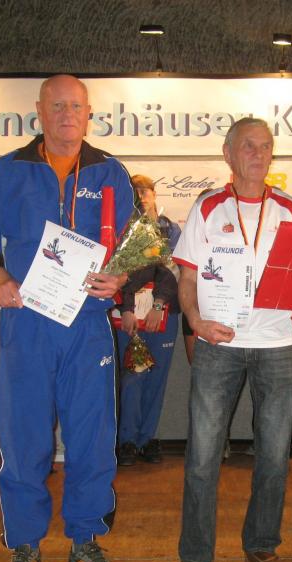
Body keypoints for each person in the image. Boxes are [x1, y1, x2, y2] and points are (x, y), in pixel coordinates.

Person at [0, 74, 135, 562]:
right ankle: (26, 547)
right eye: (56, 106)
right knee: (23, 438)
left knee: (92, 437)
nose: (66, 115)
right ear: (39, 111)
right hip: (26, 322)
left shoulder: (110, 172)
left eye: (75, 106)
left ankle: (85, 543)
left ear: (88, 113)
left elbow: (139, 245)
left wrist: (123, 276)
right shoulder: (10, 170)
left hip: (87, 324)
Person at [171, 117, 292, 562]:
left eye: (265, 146)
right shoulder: (207, 208)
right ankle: (195, 557)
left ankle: (262, 546)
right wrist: (195, 321)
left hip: (277, 345)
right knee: (202, 456)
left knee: (275, 456)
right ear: (228, 153)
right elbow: (187, 279)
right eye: (248, 146)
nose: (258, 154)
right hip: (218, 344)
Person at [115, 174, 180, 466]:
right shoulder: (121, 228)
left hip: (162, 314)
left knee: (156, 377)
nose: (141, 196)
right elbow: (119, 273)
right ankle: (127, 440)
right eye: (136, 192)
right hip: (129, 315)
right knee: (133, 374)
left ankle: (146, 438)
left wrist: (159, 303)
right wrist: (127, 307)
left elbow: (173, 270)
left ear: (154, 194)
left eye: (146, 191)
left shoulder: (170, 229)